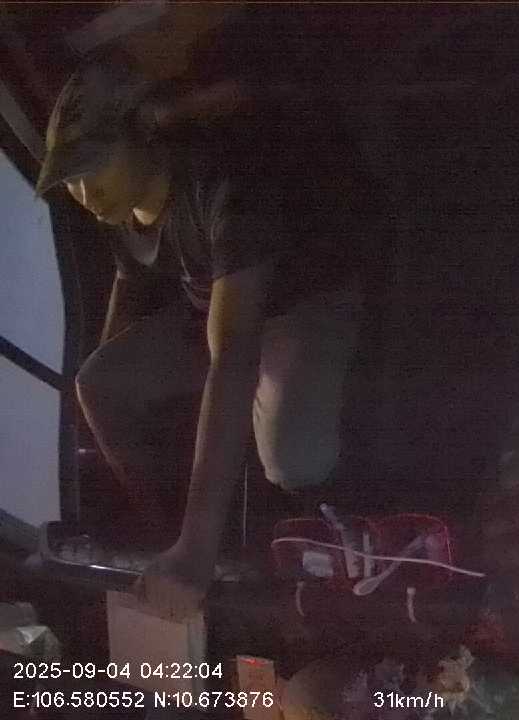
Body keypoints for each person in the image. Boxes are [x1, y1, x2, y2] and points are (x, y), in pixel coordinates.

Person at [35, 53, 372, 620]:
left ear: (144, 138)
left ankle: (211, 542)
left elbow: (232, 356)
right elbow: (129, 278)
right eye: (71, 179)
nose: (86, 194)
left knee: (294, 461)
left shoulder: (220, 185)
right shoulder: (123, 209)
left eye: (94, 167)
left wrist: (198, 548)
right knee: (98, 384)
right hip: (213, 304)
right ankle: (158, 529)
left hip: (298, 300)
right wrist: (105, 373)